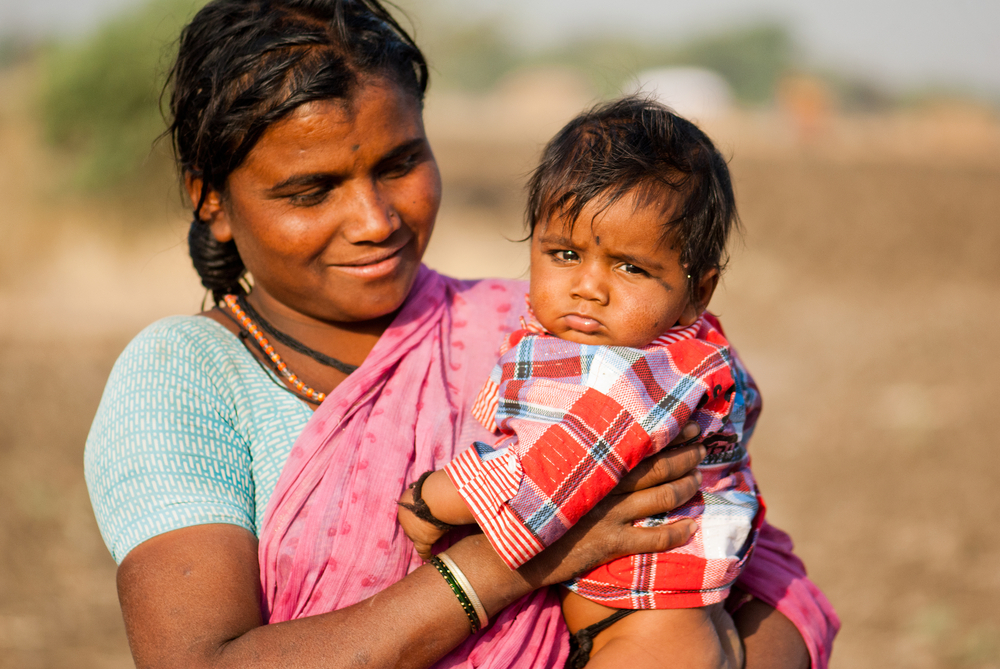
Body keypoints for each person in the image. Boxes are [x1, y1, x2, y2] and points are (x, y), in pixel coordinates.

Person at [83, 1, 839, 668]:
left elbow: (775, 581)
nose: (376, 220)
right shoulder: (182, 377)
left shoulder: (557, 331)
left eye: (401, 162)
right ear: (209, 199)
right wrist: (526, 553)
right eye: (312, 190)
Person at [397, 97, 761, 669]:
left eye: (630, 267)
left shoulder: (650, 372)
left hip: (652, 627)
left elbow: (562, 464)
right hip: (638, 613)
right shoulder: (672, 350)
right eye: (564, 254)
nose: (588, 287)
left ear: (698, 291)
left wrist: (440, 499)